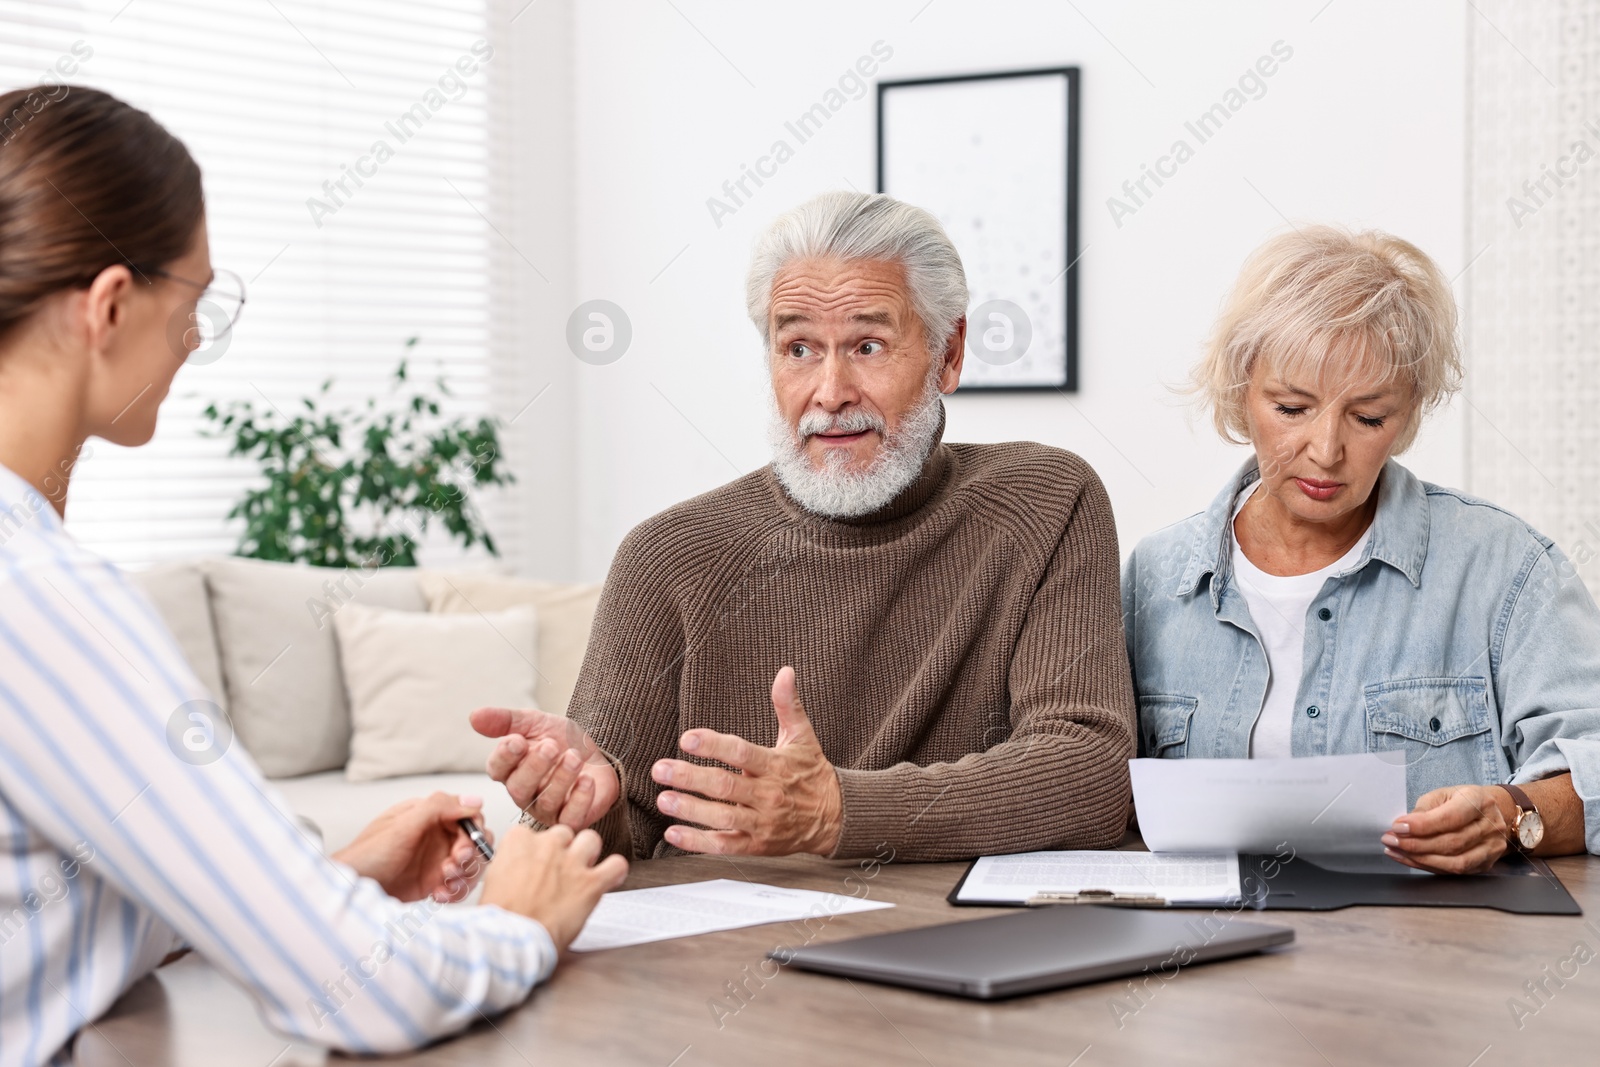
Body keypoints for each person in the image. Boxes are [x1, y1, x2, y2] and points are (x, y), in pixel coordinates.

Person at [0, 86, 626, 1065]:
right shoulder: (40, 596)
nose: (197, 340)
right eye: (193, 301)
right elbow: (359, 993)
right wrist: (518, 919)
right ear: (111, 305)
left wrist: (320, 879)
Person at [472, 190, 1136, 862]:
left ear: (950, 353)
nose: (830, 390)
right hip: (718, 958)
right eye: (798, 348)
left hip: (952, 947)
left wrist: (842, 812)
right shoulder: (666, 557)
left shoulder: (1045, 504)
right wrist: (589, 805)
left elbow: (1091, 773)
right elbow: (621, 839)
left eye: (868, 345)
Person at [1122, 225, 1600, 874]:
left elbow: (1591, 764)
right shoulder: (1155, 580)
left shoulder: (1505, 569)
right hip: (1209, 961)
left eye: (1369, 416)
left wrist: (1509, 815)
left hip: (1436, 956)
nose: (1326, 450)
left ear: (1409, 412)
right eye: (1292, 407)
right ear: (1242, 391)